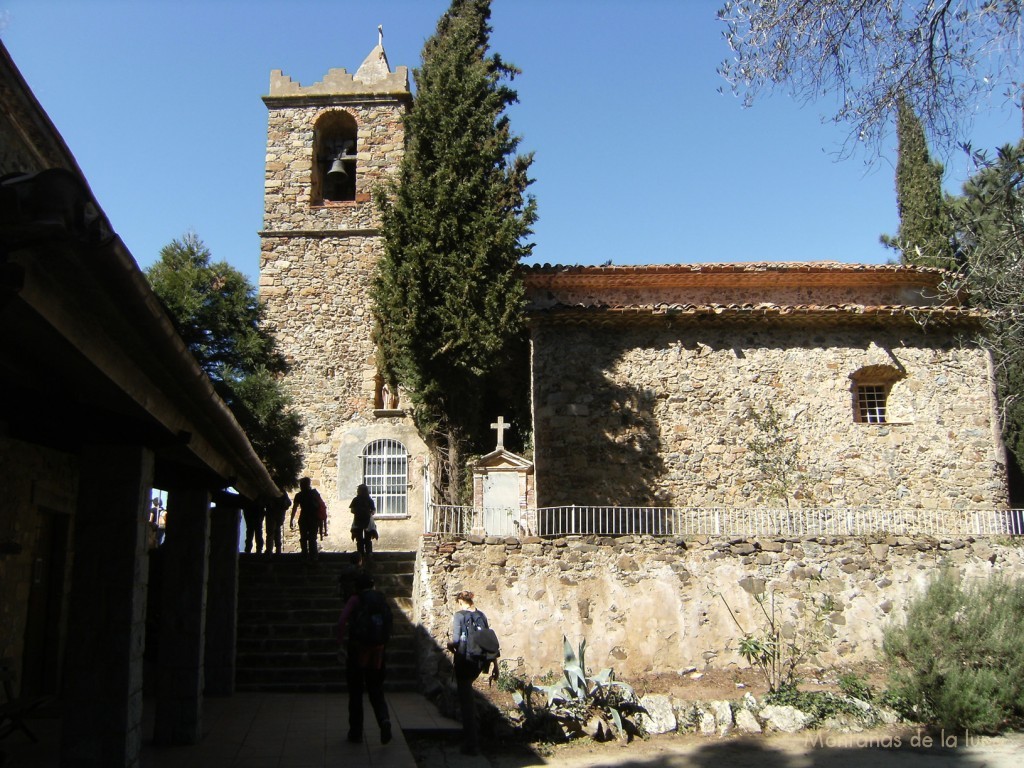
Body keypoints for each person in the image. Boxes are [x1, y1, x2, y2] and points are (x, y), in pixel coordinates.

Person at [336, 571, 393, 745]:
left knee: (355, 691)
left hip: (358, 648)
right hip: (378, 649)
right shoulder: (380, 598)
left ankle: (356, 732)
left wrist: (340, 644)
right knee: (376, 688)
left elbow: (342, 620)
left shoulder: (355, 599)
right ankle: (384, 720)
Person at [446, 590, 488, 755]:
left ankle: (471, 743)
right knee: (468, 695)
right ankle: (475, 736)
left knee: (466, 702)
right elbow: (488, 639)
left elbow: (456, 640)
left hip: (465, 660)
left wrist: (450, 646)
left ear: (460, 602)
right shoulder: (481, 616)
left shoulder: (459, 616)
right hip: (479, 662)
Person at [290, 477, 323, 561]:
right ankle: (314, 557)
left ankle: (304, 556)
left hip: (304, 518)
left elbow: (295, 508)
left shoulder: (299, 495)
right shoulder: (315, 493)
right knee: (312, 539)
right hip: (314, 518)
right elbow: (321, 505)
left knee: (304, 538)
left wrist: (292, 519)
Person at [349, 484, 376, 562]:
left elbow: (352, 510)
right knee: (362, 539)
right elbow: (373, 510)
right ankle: (364, 554)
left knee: (364, 539)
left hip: (363, 521)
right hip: (360, 521)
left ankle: (365, 554)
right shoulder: (360, 499)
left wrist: (362, 512)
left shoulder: (364, 500)